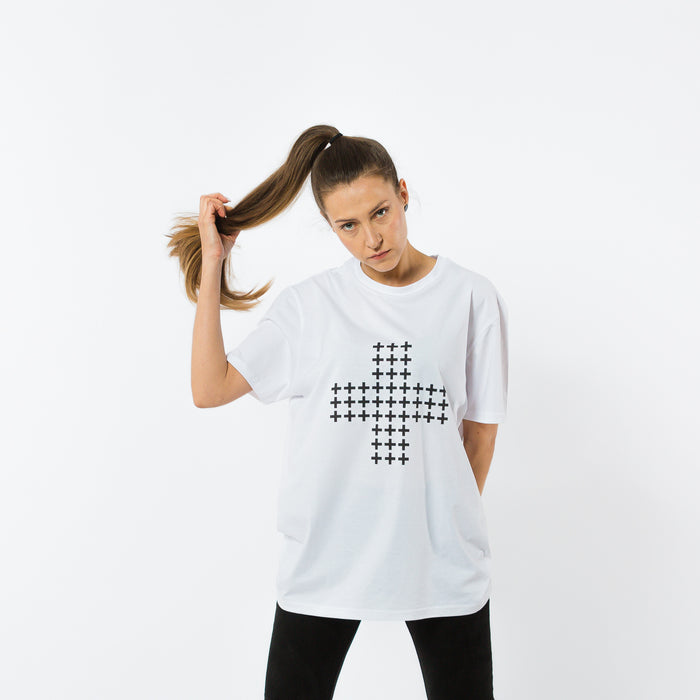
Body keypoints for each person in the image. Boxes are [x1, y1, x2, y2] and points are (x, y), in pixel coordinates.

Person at [166, 125, 508, 700]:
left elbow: (478, 439)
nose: (372, 237)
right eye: (348, 226)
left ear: (403, 192)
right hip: (326, 560)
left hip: (444, 565)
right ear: (330, 227)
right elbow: (210, 387)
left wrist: (434, 525)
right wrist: (212, 273)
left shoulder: (471, 297)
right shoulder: (310, 307)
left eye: (380, 212)